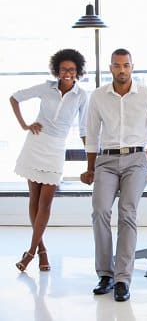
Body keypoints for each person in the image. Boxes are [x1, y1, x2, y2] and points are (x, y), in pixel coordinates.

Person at [80, 48, 147, 302]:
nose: (122, 70)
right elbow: (92, 135)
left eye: (126, 65)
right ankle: (105, 275)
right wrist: (90, 167)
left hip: (136, 160)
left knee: (127, 212)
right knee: (100, 210)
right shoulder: (97, 97)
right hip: (106, 160)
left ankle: (122, 279)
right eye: (117, 66)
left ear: (132, 67)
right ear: (111, 68)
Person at [11, 49, 88, 272]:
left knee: (46, 203)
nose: (67, 73)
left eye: (72, 70)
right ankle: (40, 250)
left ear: (78, 72)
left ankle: (31, 253)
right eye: (64, 69)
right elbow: (14, 98)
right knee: (34, 201)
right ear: (57, 70)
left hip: (56, 149)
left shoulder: (82, 95)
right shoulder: (46, 87)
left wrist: (91, 159)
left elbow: (83, 129)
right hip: (35, 144)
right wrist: (25, 125)